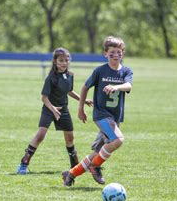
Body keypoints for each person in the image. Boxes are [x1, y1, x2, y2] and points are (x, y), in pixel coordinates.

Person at [62, 36, 133, 186]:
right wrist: (80, 109)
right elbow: (85, 87)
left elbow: (128, 85)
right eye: (112, 52)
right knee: (118, 140)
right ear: (105, 54)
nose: (116, 55)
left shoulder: (126, 71)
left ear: (123, 53)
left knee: (97, 152)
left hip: (114, 118)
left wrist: (116, 87)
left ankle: (70, 174)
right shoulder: (100, 71)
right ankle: (95, 166)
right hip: (101, 115)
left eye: (119, 52)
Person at [16, 48, 93, 174]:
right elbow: (44, 98)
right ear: (55, 61)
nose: (64, 63)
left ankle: (74, 166)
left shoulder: (70, 75)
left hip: (63, 110)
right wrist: (53, 109)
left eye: (66, 60)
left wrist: (83, 100)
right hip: (49, 109)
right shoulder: (51, 77)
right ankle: (23, 164)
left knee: (70, 138)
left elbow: (69, 91)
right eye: (61, 60)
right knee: (40, 135)